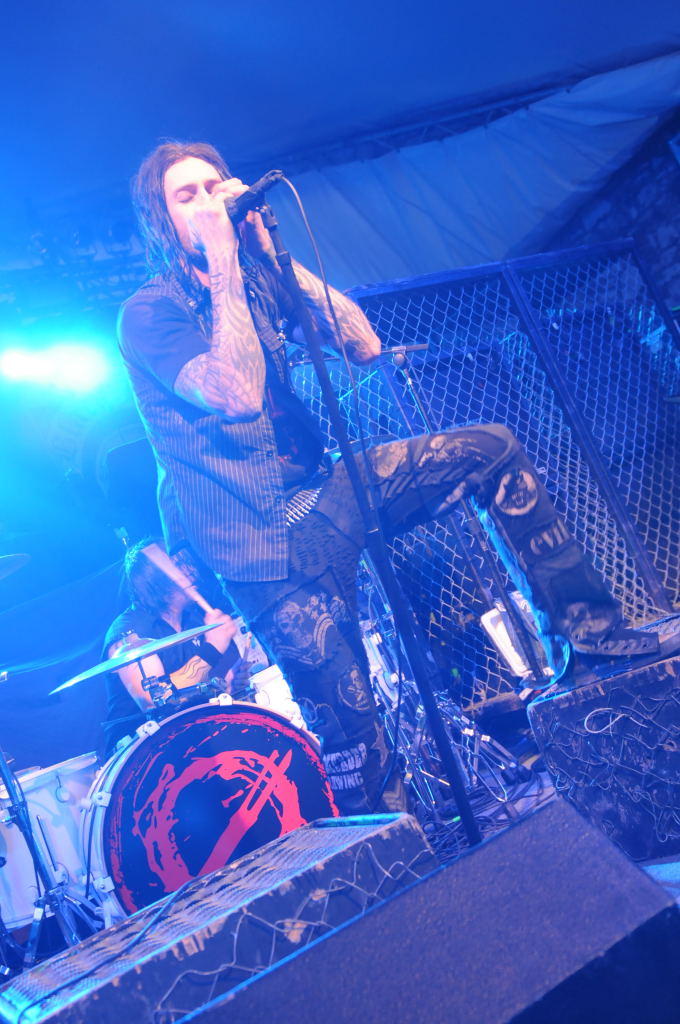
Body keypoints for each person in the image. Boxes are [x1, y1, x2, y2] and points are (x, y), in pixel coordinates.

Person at [117, 140, 676, 815]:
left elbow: (363, 344)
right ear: (161, 221)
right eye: (189, 195)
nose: (210, 201)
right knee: (358, 744)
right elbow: (233, 393)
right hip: (263, 544)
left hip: (330, 489)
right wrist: (224, 261)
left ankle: (591, 640)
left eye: (215, 186)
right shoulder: (148, 314)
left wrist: (272, 257)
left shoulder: (257, 274)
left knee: (490, 448)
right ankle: (411, 865)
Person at [102, 538, 239, 757]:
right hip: (141, 756)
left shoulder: (193, 619)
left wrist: (230, 680)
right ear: (155, 578)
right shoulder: (130, 633)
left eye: (188, 562)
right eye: (180, 564)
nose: (191, 571)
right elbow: (156, 701)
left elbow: (205, 685)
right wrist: (213, 647)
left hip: (193, 738)